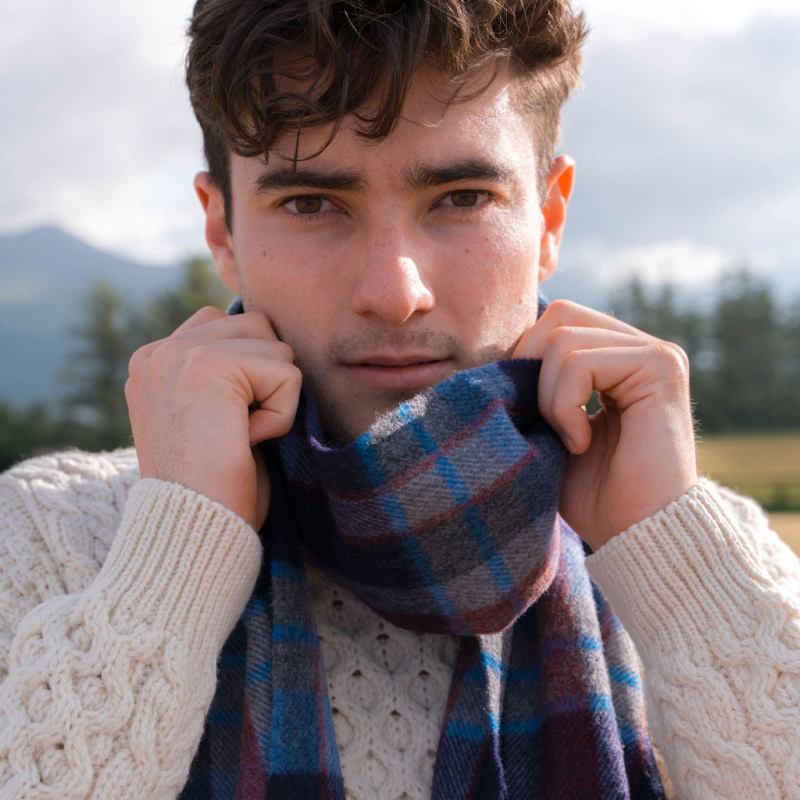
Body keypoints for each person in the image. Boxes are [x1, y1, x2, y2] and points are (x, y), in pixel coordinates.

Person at [1, 1, 798, 798]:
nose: (395, 292)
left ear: (549, 217)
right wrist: (172, 561)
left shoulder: (701, 549)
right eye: (312, 203)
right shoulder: (52, 540)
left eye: (462, 198)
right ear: (224, 232)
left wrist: (682, 576)